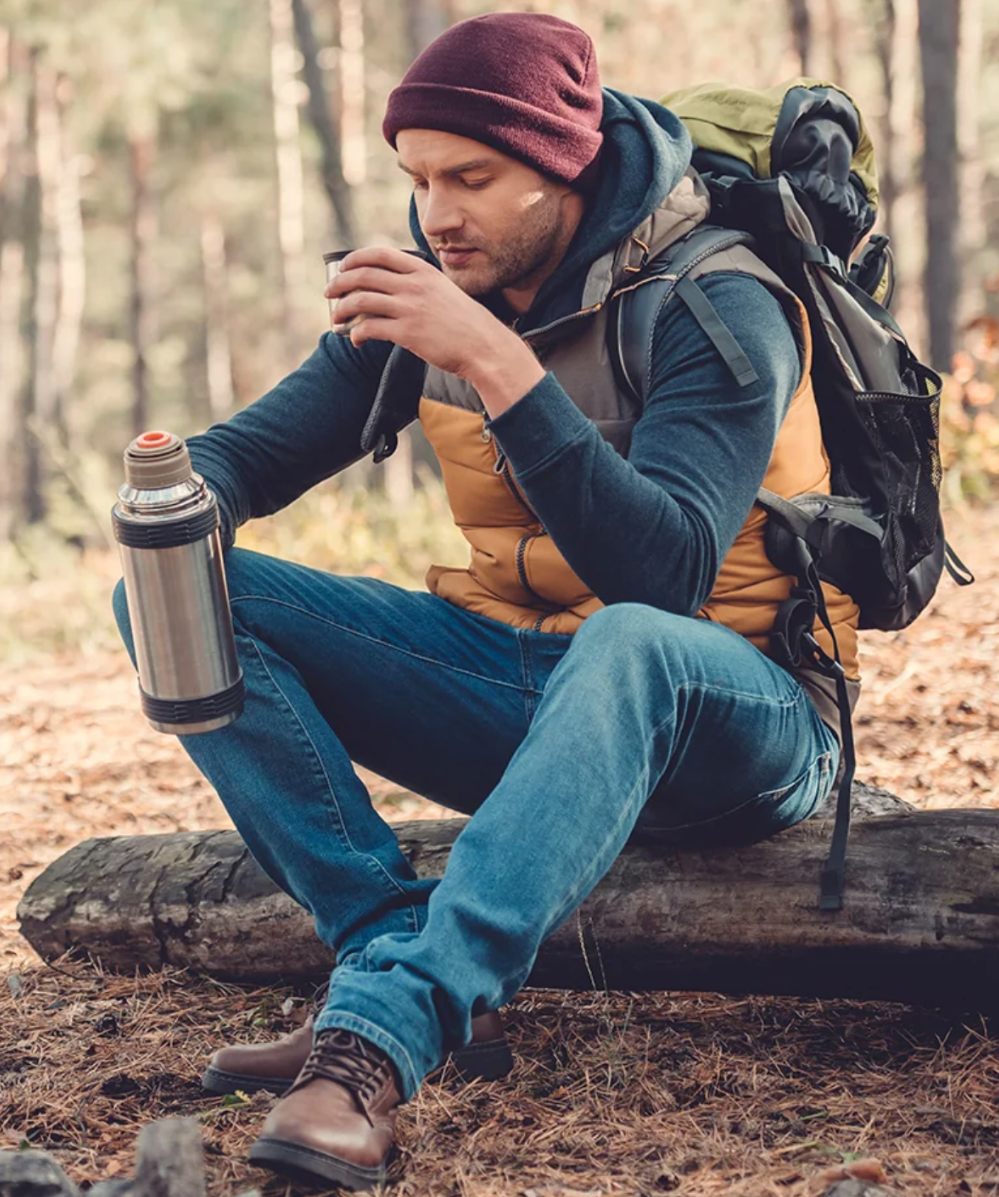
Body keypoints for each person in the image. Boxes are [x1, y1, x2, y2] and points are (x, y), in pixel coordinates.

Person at [113, 11, 856, 1191]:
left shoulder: (723, 301)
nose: (437, 212)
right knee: (179, 594)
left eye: (472, 177)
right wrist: (170, 495)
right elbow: (249, 460)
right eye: (418, 178)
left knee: (630, 642)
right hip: (533, 692)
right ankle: (385, 947)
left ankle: (377, 1042)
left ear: (564, 168)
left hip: (738, 715)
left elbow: (662, 580)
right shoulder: (446, 287)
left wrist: (501, 368)